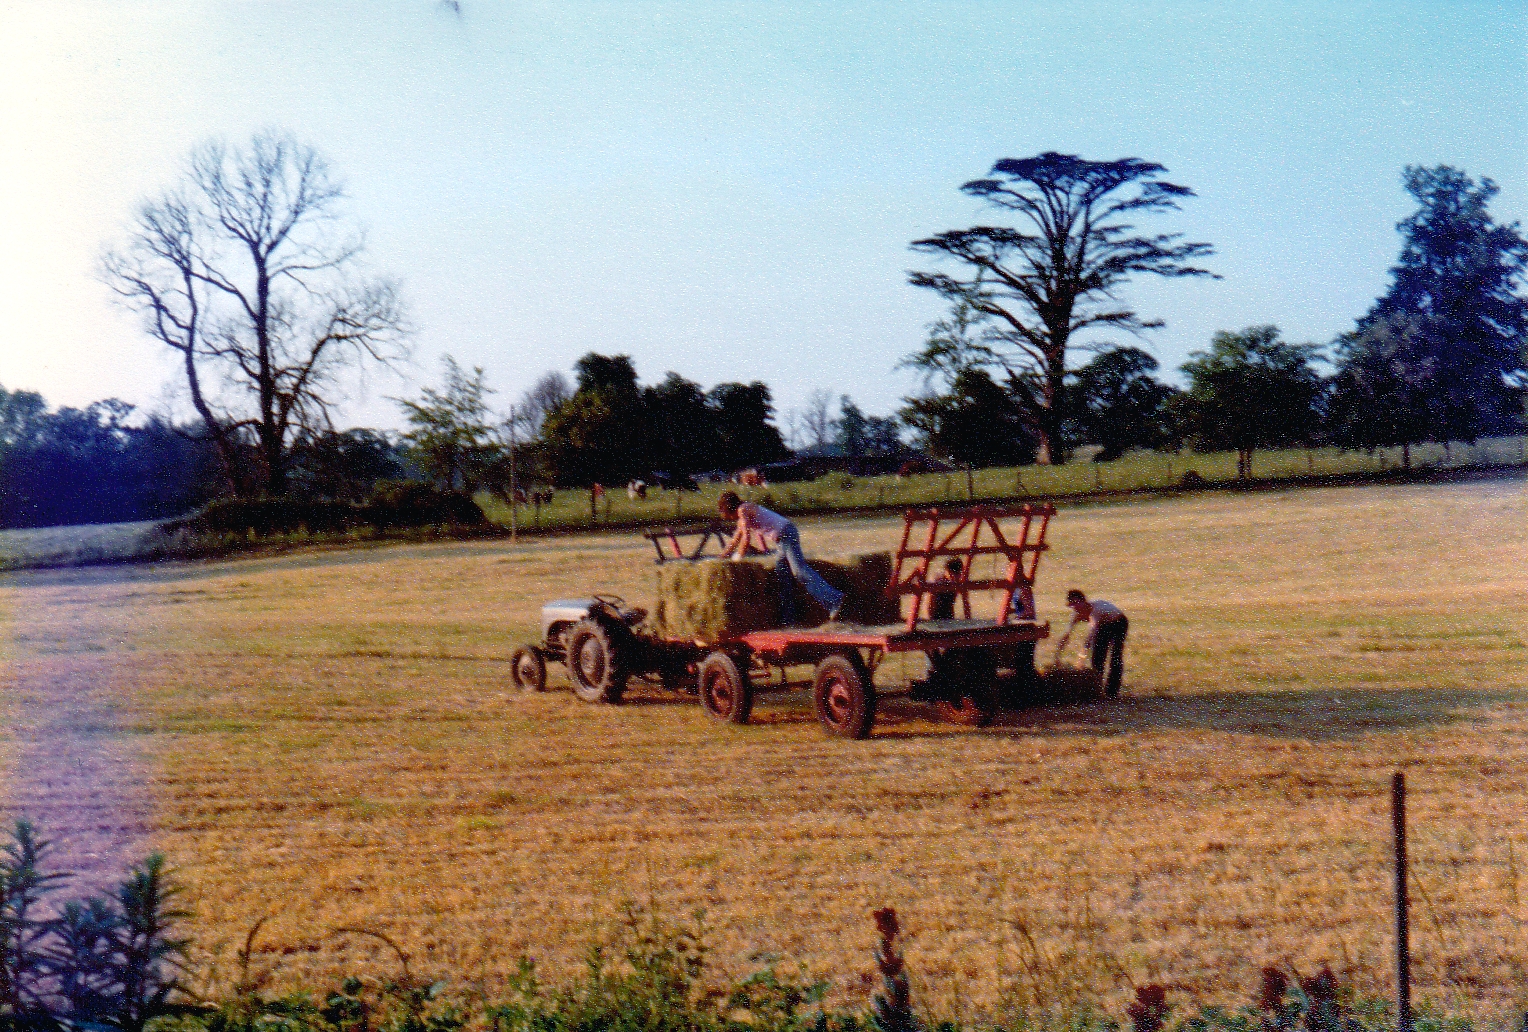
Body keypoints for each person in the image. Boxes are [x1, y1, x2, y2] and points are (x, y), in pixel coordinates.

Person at [718, 491, 844, 625]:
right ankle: (789, 620)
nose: (730, 519)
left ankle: (835, 600)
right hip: (781, 540)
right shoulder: (743, 514)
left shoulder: (743, 510)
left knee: (799, 571)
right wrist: (721, 558)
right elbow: (734, 540)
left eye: (728, 516)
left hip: (786, 534)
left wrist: (737, 558)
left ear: (729, 508)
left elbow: (746, 539)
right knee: (783, 578)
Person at [1054, 589, 1128, 697]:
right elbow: (1066, 635)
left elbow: (1091, 635)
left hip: (1118, 622)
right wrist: (1057, 655)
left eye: (1076, 603)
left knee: (1115, 656)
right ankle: (1097, 689)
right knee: (1097, 658)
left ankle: (1112, 692)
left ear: (1084, 601)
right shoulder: (1076, 615)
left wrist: (1082, 656)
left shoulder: (1096, 610)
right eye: (1072, 605)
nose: (1075, 607)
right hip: (1103, 626)